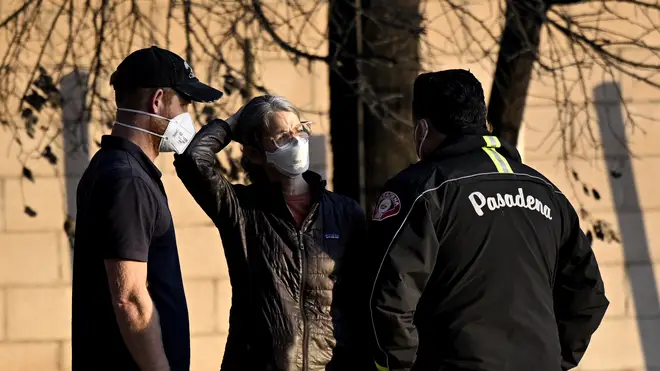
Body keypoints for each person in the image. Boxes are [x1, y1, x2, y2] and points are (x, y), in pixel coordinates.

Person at [367, 69, 609, 371]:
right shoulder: (547, 192)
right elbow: (588, 294)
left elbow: (390, 297)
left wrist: (394, 366)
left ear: (422, 130)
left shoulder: (422, 190)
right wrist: (555, 357)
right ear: (483, 122)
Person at [173, 95, 370, 371]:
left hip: (331, 363)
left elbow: (362, 297)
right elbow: (193, 161)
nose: (296, 141)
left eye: (299, 130)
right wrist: (232, 124)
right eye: (281, 136)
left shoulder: (344, 212)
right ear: (255, 153)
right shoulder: (242, 210)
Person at [71, 46, 223, 371]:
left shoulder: (117, 169)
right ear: (157, 101)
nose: (188, 115)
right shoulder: (127, 180)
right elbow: (130, 298)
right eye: (184, 104)